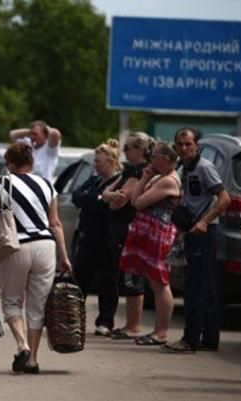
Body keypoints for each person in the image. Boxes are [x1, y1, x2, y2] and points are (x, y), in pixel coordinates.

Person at [0, 142, 71, 374]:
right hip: (46, 247)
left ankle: (22, 344)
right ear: (31, 163)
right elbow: (55, 223)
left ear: (10, 164)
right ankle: (32, 360)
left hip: (16, 247)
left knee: (11, 300)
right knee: (37, 306)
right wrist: (64, 255)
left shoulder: (2, 183)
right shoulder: (47, 184)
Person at [162, 127, 230, 354]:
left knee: (195, 287)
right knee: (206, 287)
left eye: (188, 144)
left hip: (205, 233)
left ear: (196, 145)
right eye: (180, 144)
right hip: (192, 232)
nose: (183, 148)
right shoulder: (184, 167)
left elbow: (224, 198)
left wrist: (204, 221)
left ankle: (190, 339)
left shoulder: (204, 167)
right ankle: (209, 338)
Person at [119, 143, 181, 347]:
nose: (151, 159)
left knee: (159, 280)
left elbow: (139, 203)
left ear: (165, 159)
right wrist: (145, 176)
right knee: (148, 278)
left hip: (160, 233)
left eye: (154, 156)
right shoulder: (157, 178)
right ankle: (148, 328)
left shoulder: (169, 181)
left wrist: (145, 180)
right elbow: (134, 199)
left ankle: (161, 331)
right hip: (147, 230)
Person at [101, 132, 155, 340]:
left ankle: (133, 325)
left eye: (128, 148)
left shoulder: (141, 172)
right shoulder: (130, 171)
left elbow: (120, 200)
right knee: (125, 275)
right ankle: (130, 324)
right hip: (119, 227)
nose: (125, 152)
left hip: (129, 227)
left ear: (140, 150)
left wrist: (110, 196)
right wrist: (110, 195)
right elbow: (108, 193)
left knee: (132, 277)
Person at [72, 139, 122, 336]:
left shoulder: (118, 181)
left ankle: (105, 321)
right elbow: (77, 197)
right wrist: (100, 197)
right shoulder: (94, 181)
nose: (95, 165)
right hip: (88, 237)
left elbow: (107, 205)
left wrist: (97, 200)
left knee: (107, 282)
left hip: (107, 238)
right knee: (80, 279)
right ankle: (74, 317)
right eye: (95, 161)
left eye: (99, 161)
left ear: (111, 161)